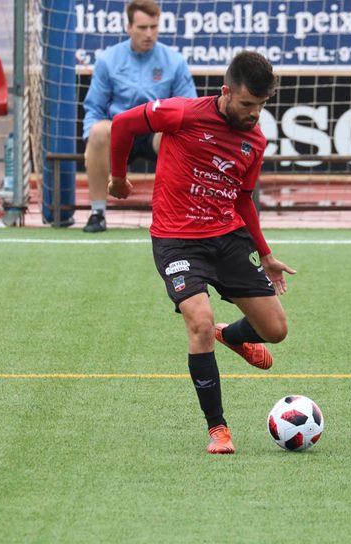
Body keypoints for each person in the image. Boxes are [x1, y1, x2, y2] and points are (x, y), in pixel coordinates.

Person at [108, 51, 295, 454]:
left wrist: (266, 254)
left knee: (275, 330)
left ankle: (231, 335)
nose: (254, 113)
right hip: (176, 240)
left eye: (262, 105)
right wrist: (118, 177)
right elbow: (122, 124)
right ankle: (218, 429)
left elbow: (243, 199)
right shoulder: (183, 113)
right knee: (199, 322)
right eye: (247, 104)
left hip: (227, 238)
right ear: (225, 92)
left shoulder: (255, 140)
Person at [82, 0, 196, 232]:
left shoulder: (175, 62)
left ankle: (179, 213)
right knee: (98, 132)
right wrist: (89, 141)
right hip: (120, 131)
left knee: (181, 135)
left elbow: (189, 108)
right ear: (129, 27)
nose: (149, 34)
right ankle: (97, 213)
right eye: (142, 28)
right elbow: (94, 108)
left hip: (157, 132)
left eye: (154, 27)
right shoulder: (107, 60)